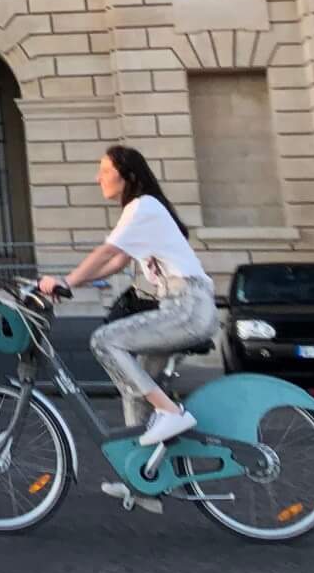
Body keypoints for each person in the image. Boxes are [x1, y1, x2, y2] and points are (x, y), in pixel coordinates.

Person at [39, 145, 215, 453]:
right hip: (180, 306)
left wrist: (66, 281)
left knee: (105, 340)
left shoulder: (143, 206)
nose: (98, 178)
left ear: (127, 175)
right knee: (136, 390)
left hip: (187, 306)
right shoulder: (143, 211)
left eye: (105, 171)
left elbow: (106, 251)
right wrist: (70, 284)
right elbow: (116, 262)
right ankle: (142, 483)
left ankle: (172, 413)